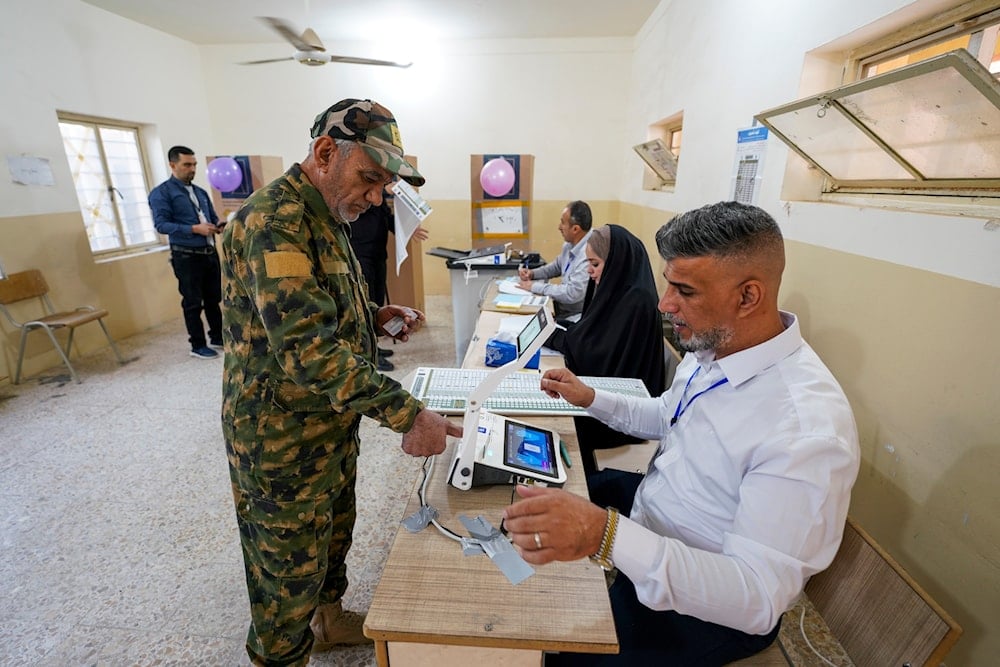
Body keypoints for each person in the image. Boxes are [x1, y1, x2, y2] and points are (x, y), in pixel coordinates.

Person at [502, 201, 860, 665]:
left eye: (684, 290)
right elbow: (665, 414)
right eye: (668, 283)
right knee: (546, 485)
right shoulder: (714, 348)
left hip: (710, 608)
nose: (663, 304)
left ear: (748, 296)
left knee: (563, 653)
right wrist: (590, 397)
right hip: (659, 514)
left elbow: (754, 597)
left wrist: (606, 536)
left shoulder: (806, 430)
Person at [220, 98, 462, 667]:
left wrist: (371, 313)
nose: (377, 196)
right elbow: (307, 350)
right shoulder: (272, 221)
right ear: (326, 152)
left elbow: (311, 307)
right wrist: (410, 414)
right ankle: (278, 655)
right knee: (287, 566)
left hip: (326, 421)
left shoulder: (324, 213)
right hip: (279, 436)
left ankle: (327, 620)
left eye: (385, 185)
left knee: (331, 533)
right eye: (370, 179)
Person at [545, 224, 666, 476]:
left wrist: (553, 336)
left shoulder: (636, 300)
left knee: (555, 428)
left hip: (624, 413)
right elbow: (592, 331)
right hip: (613, 393)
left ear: (616, 263)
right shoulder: (620, 288)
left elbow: (594, 352)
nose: (589, 271)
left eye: (596, 264)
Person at [148, 145, 224, 359]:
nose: (192, 169)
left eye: (194, 164)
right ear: (173, 165)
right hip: (186, 254)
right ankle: (197, 345)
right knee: (192, 302)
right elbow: (162, 224)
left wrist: (219, 224)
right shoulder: (161, 193)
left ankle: (217, 336)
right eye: (187, 165)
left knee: (213, 299)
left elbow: (210, 216)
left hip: (208, 252)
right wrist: (193, 229)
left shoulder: (200, 192)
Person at [348, 191, 428, 372]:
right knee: (363, 304)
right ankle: (368, 355)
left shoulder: (379, 195)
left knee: (376, 301)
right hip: (361, 253)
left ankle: (375, 346)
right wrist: (385, 190)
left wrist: (409, 230)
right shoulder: (363, 192)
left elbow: (386, 217)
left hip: (377, 254)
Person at [517, 200, 593, 322]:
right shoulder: (570, 244)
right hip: (561, 308)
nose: (559, 227)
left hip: (577, 316)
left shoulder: (589, 253)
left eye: (563, 223)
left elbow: (573, 293)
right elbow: (557, 266)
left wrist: (535, 286)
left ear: (575, 229)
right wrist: (533, 273)